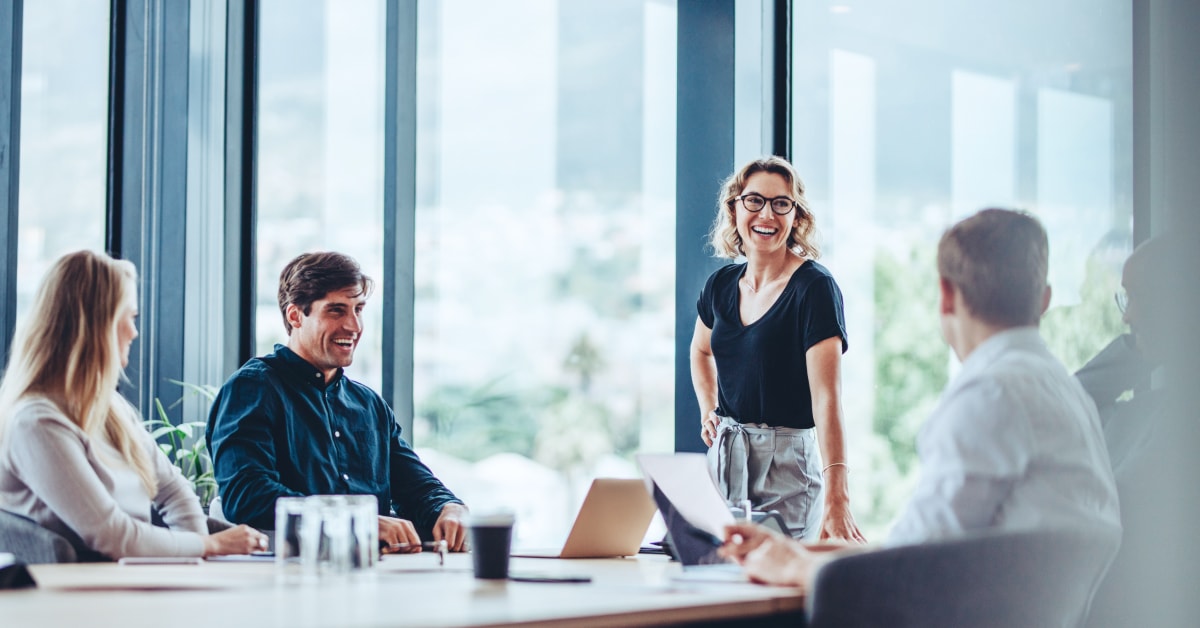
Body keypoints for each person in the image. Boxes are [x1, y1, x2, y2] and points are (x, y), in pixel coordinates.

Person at [720, 208, 1121, 592]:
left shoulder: (989, 396)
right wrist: (798, 550)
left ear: (945, 296)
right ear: (1044, 300)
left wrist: (792, 565)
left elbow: (909, 572)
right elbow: (926, 546)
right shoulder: (1066, 392)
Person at [0, 250, 267, 560]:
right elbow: (110, 534)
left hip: (127, 579)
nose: (135, 331)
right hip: (76, 594)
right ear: (97, 326)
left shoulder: (110, 408)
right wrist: (209, 545)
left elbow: (172, 489)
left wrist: (195, 555)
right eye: (130, 317)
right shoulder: (36, 423)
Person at [207, 252, 468, 552]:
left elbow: (416, 486)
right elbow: (247, 496)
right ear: (295, 316)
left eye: (358, 309)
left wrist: (449, 507)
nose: (354, 326)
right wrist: (357, 521)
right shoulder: (253, 389)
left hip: (376, 575)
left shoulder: (369, 405)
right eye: (336, 311)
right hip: (287, 577)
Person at [690, 155, 863, 542]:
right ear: (735, 208)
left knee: (777, 592)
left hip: (787, 467)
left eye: (780, 203)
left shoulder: (814, 288)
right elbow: (701, 352)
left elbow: (827, 399)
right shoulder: (720, 285)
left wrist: (839, 496)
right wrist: (707, 410)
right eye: (754, 200)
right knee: (718, 585)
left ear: (796, 216)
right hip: (724, 458)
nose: (766, 214)